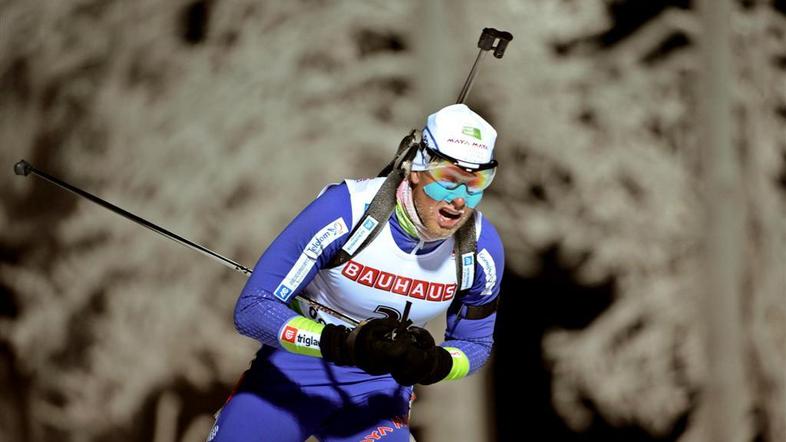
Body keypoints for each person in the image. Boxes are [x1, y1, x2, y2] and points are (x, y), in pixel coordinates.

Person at [208, 104, 505, 442]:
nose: (459, 201)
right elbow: (252, 308)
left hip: (376, 393)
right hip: (294, 373)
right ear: (416, 169)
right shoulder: (346, 211)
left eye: (476, 183)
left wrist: (434, 363)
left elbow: (476, 343)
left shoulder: (479, 249)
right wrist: (340, 343)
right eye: (448, 181)